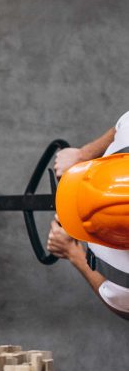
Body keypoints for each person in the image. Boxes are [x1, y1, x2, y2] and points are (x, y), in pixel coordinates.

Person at [48, 111, 129, 319]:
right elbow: (122, 125)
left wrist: (73, 253)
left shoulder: (125, 282)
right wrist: (82, 154)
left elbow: (124, 308)